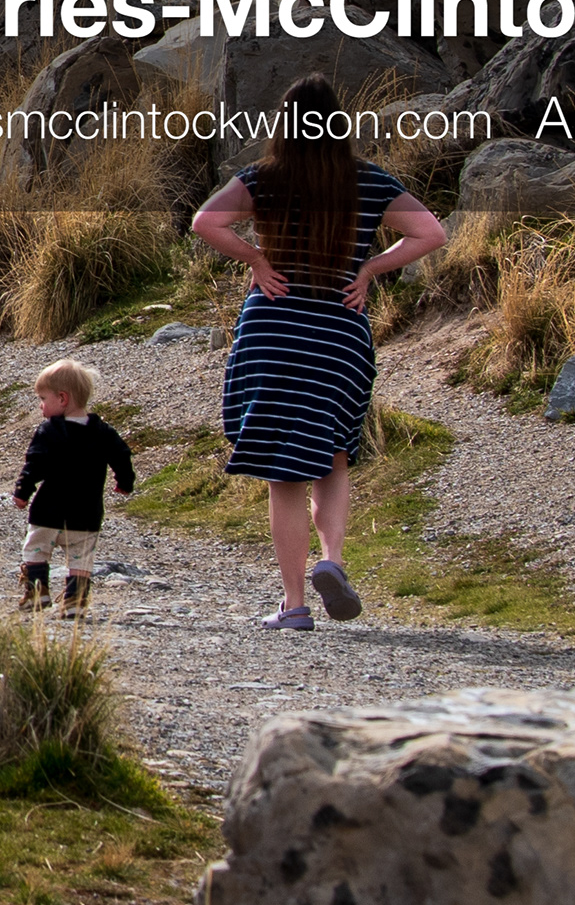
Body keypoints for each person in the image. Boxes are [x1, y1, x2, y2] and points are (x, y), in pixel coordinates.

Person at [189, 71, 449, 630]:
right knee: (333, 456)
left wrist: (257, 260)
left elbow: (205, 221)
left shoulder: (265, 179)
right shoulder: (368, 182)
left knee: (283, 475)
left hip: (274, 329)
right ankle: (331, 562)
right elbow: (431, 233)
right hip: (339, 331)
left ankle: (293, 604)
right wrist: (372, 267)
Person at [11, 357, 135, 615]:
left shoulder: (49, 431)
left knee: (36, 548)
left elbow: (34, 465)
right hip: (86, 512)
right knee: (80, 557)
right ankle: (74, 602)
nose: (41, 406)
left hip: (48, 510)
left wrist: (23, 491)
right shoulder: (103, 432)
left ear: (62, 399)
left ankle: (36, 592)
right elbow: (122, 456)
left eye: (43, 399)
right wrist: (125, 482)